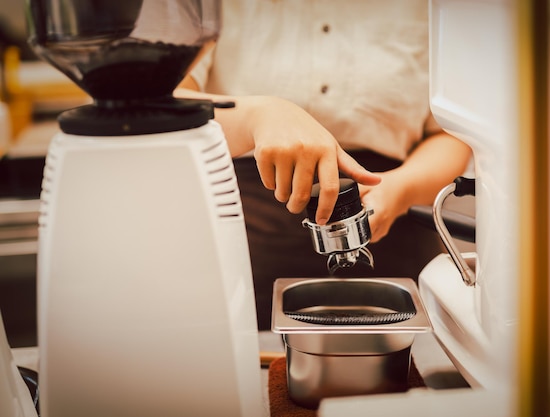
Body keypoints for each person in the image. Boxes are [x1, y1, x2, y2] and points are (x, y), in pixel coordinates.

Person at [176, 0, 472, 329]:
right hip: (245, 238)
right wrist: (257, 115)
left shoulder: (436, 8)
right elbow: (167, 102)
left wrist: (401, 190)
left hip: (396, 228)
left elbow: (451, 134)